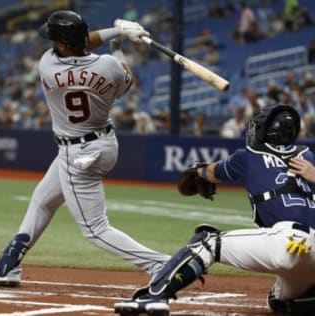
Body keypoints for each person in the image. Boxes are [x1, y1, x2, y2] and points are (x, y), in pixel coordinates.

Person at [0, 10, 170, 287]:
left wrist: (116, 30)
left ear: (62, 43)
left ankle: (162, 264)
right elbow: (125, 79)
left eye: (54, 39)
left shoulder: (47, 64)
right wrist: (119, 41)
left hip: (80, 156)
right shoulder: (109, 67)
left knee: (95, 230)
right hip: (104, 144)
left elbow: (83, 43)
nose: (50, 43)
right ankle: (7, 267)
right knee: (42, 201)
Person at [114, 103, 315, 315]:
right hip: (312, 250)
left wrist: (197, 171)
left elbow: (212, 172)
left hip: (287, 243)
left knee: (207, 241)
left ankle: (154, 296)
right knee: (279, 301)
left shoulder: (249, 155)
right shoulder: (309, 157)